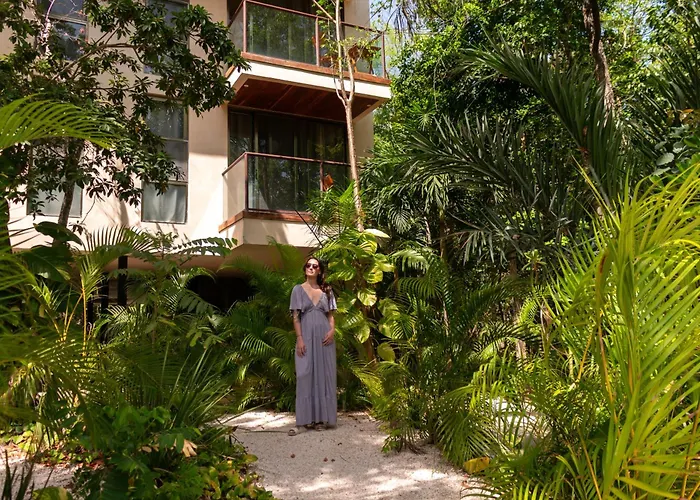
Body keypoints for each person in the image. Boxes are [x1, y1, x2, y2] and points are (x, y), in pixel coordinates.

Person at [288, 257, 337, 435]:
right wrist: (300, 338)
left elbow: (330, 315)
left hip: (325, 338)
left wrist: (332, 331)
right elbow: (296, 317)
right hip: (306, 337)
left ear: (319, 270)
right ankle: (303, 420)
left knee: (324, 375)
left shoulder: (326, 290)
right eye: (308, 265)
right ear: (304, 269)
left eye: (314, 266)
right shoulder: (297, 290)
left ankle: (321, 420)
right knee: (304, 374)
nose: (311, 268)